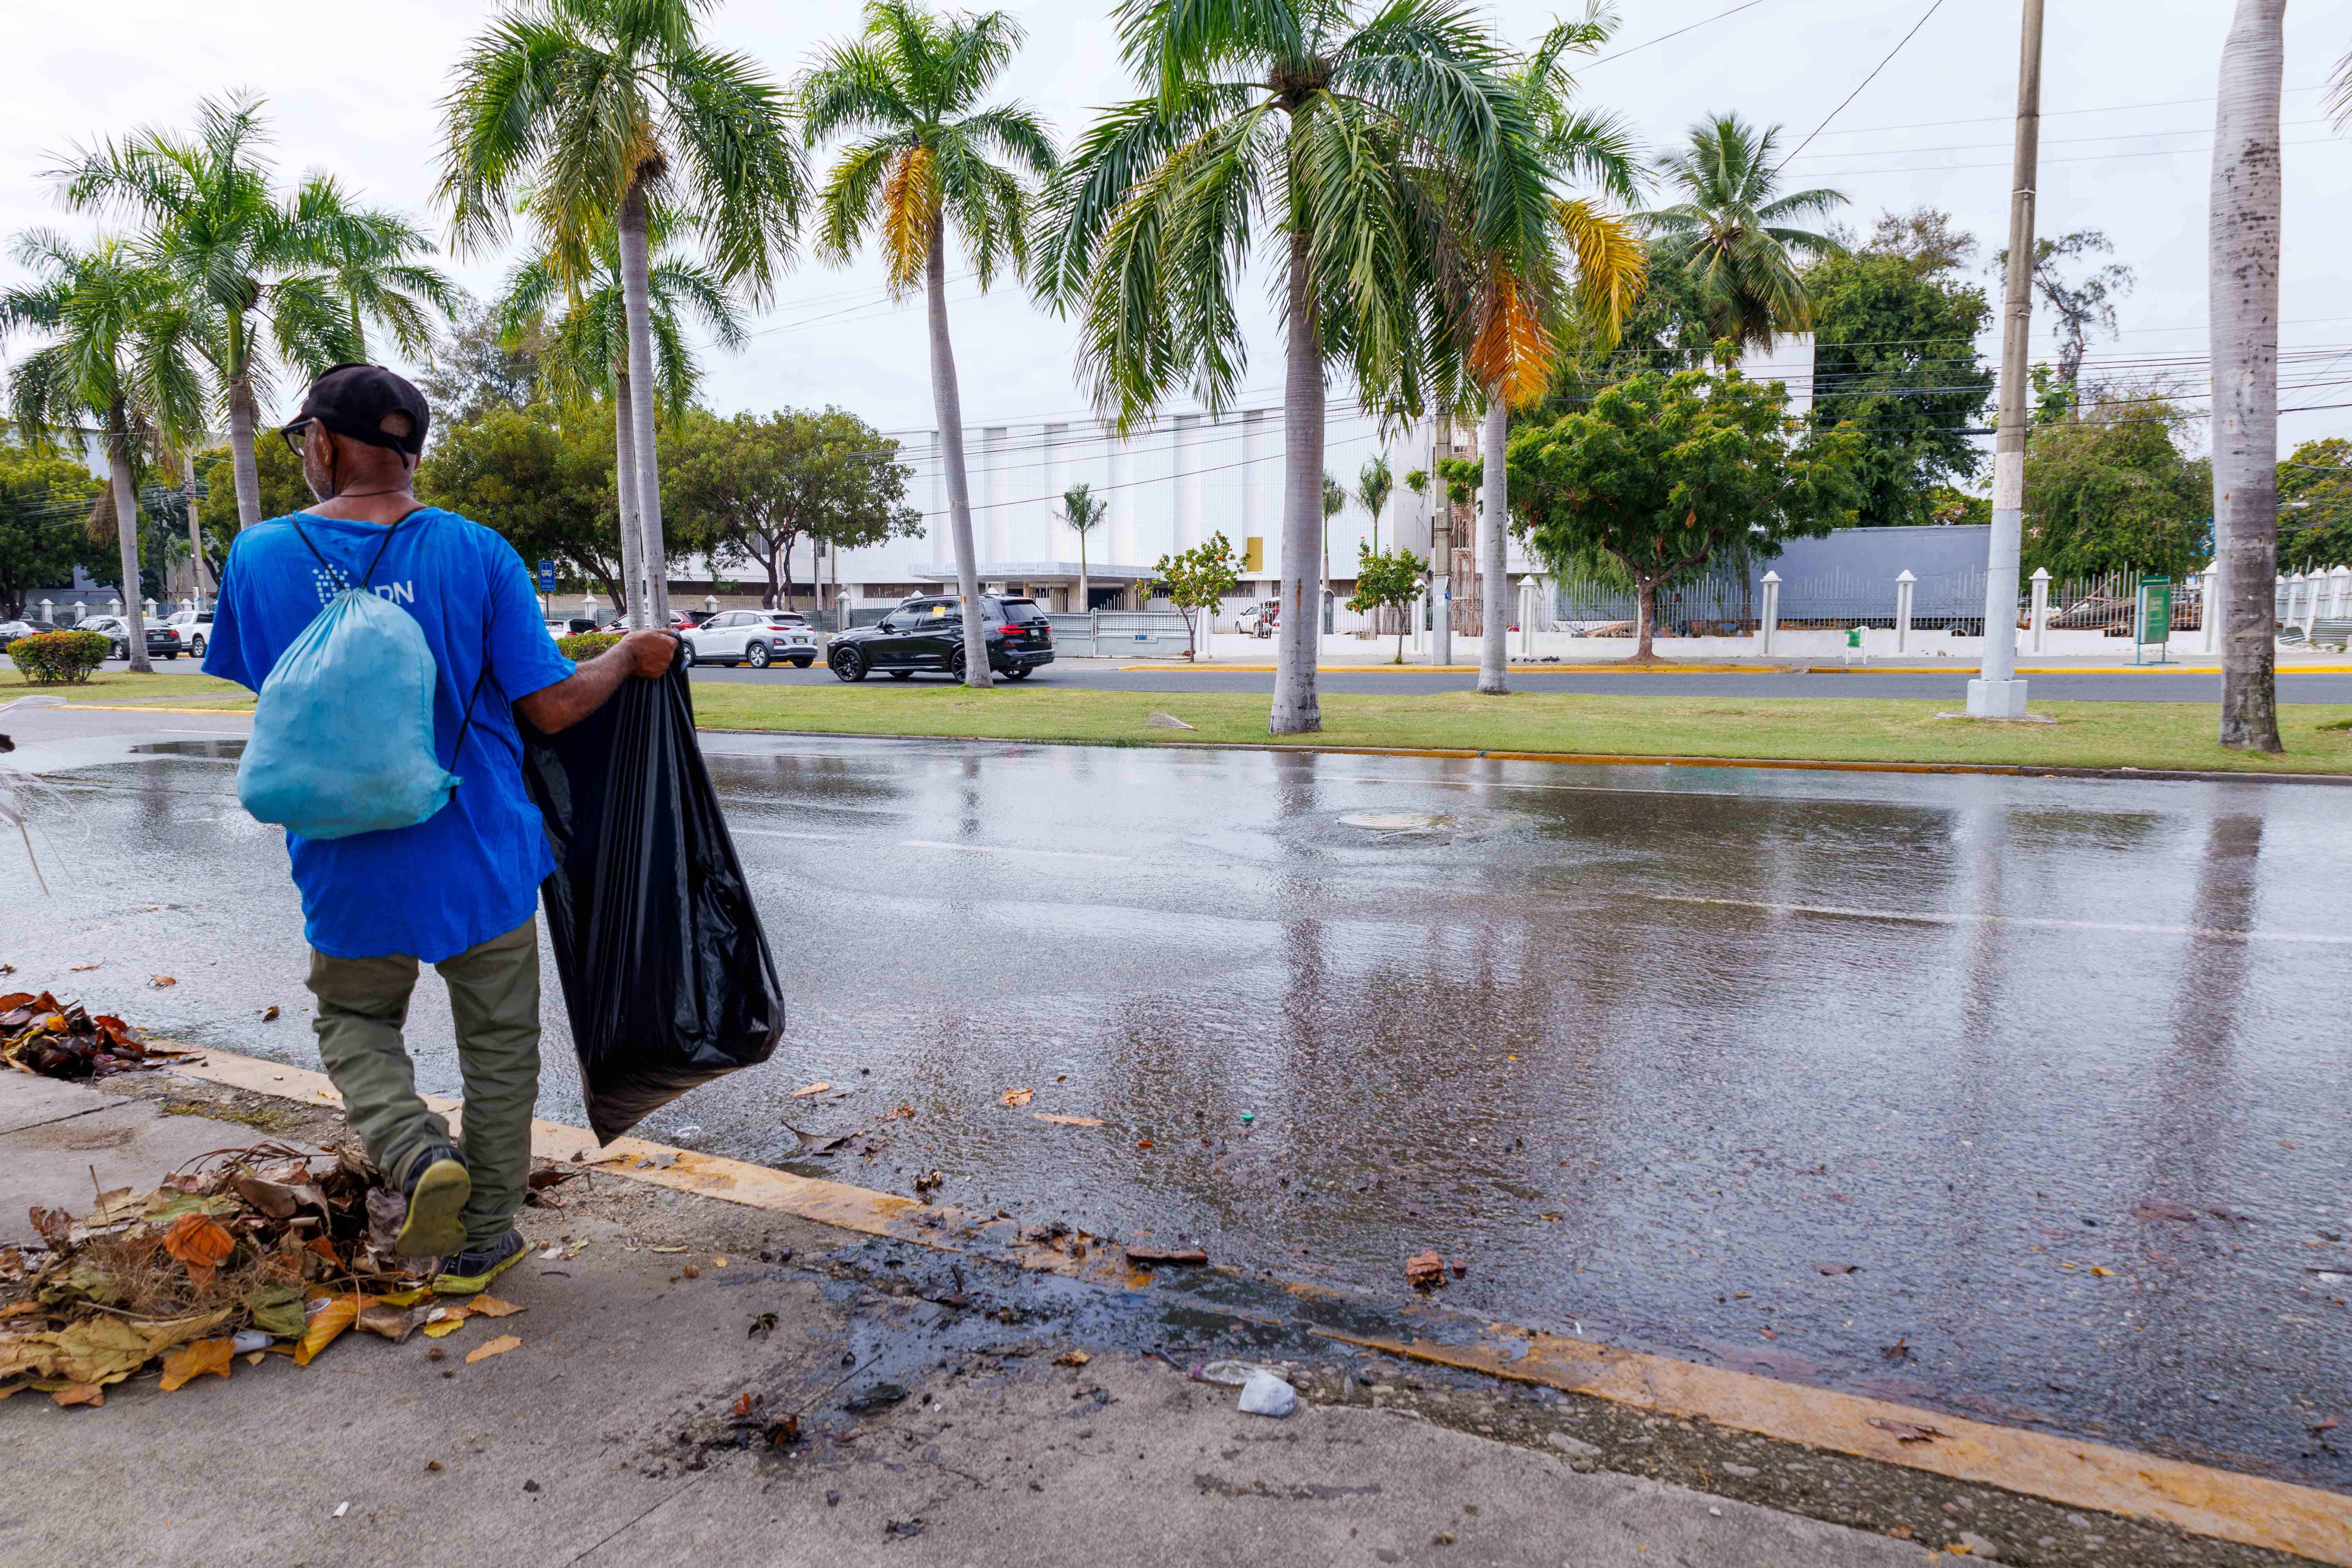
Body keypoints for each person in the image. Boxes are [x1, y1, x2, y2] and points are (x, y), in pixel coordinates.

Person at [204, 363, 675, 1295]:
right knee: (497, 1044)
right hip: (482, 849)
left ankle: (418, 1156)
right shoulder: (478, 552)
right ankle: (483, 1237)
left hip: (343, 859)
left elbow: (282, 699)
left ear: (327, 445)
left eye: (306, 441)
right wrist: (624, 655)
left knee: (352, 1016)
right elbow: (549, 708)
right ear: (410, 451)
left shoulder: (258, 557)